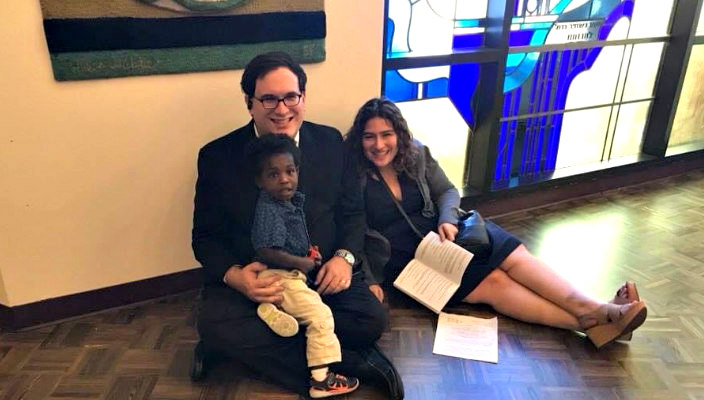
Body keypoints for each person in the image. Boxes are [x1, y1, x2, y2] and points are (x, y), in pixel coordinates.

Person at [344, 97, 648, 349]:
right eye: (370, 136)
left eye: (386, 134)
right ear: (360, 139)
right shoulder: (353, 175)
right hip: (409, 260)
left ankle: (596, 311)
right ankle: (595, 319)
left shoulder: (416, 153)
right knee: (493, 284)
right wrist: (370, 278)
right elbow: (353, 229)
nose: (379, 144)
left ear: (399, 134)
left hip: (448, 234)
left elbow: (447, 191)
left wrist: (447, 219)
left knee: (515, 258)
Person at [191, 53, 403, 399]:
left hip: (321, 275)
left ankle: (250, 355)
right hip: (255, 282)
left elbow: (353, 214)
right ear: (249, 103)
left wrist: (345, 258)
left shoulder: (331, 142)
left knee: (371, 319)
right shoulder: (217, 157)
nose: (282, 108)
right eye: (269, 99)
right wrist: (236, 277)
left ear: (303, 98)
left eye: (291, 96)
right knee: (216, 325)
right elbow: (205, 237)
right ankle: (349, 365)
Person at [247, 133, 359, 398]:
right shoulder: (270, 209)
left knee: (311, 309)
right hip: (284, 276)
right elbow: (266, 250)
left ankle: (274, 310)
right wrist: (304, 263)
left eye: (290, 171)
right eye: (274, 175)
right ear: (259, 181)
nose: (285, 179)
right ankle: (321, 380)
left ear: (298, 171)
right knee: (321, 317)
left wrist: (308, 253)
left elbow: (288, 241)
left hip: (287, 276)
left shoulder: (289, 203)